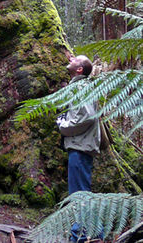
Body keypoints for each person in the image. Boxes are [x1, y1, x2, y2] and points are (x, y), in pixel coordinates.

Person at [56, 55, 101, 242]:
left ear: (80, 70)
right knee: (81, 193)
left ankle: (83, 237)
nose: (71, 58)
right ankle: (93, 234)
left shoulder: (82, 88)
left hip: (80, 148)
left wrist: (63, 125)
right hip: (80, 146)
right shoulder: (80, 86)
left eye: (76, 59)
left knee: (79, 195)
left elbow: (86, 117)